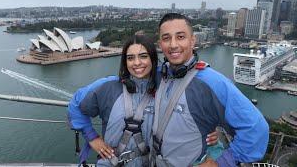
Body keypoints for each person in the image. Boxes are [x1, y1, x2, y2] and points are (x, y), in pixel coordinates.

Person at [67, 34, 220, 166]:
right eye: (130, 58)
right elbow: (75, 106)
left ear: (153, 59)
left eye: (143, 56)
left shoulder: (167, 88)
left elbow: (191, 112)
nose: (137, 63)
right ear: (124, 62)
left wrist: (210, 131)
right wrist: (92, 138)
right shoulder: (108, 87)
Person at [151, 13, 269, 167]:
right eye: (166, 38)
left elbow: (256, 128)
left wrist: (223, 161)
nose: (173, 44)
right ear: (160, 44)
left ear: (193, 41)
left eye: (180, 37)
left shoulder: (212, 81)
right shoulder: (159, 75)